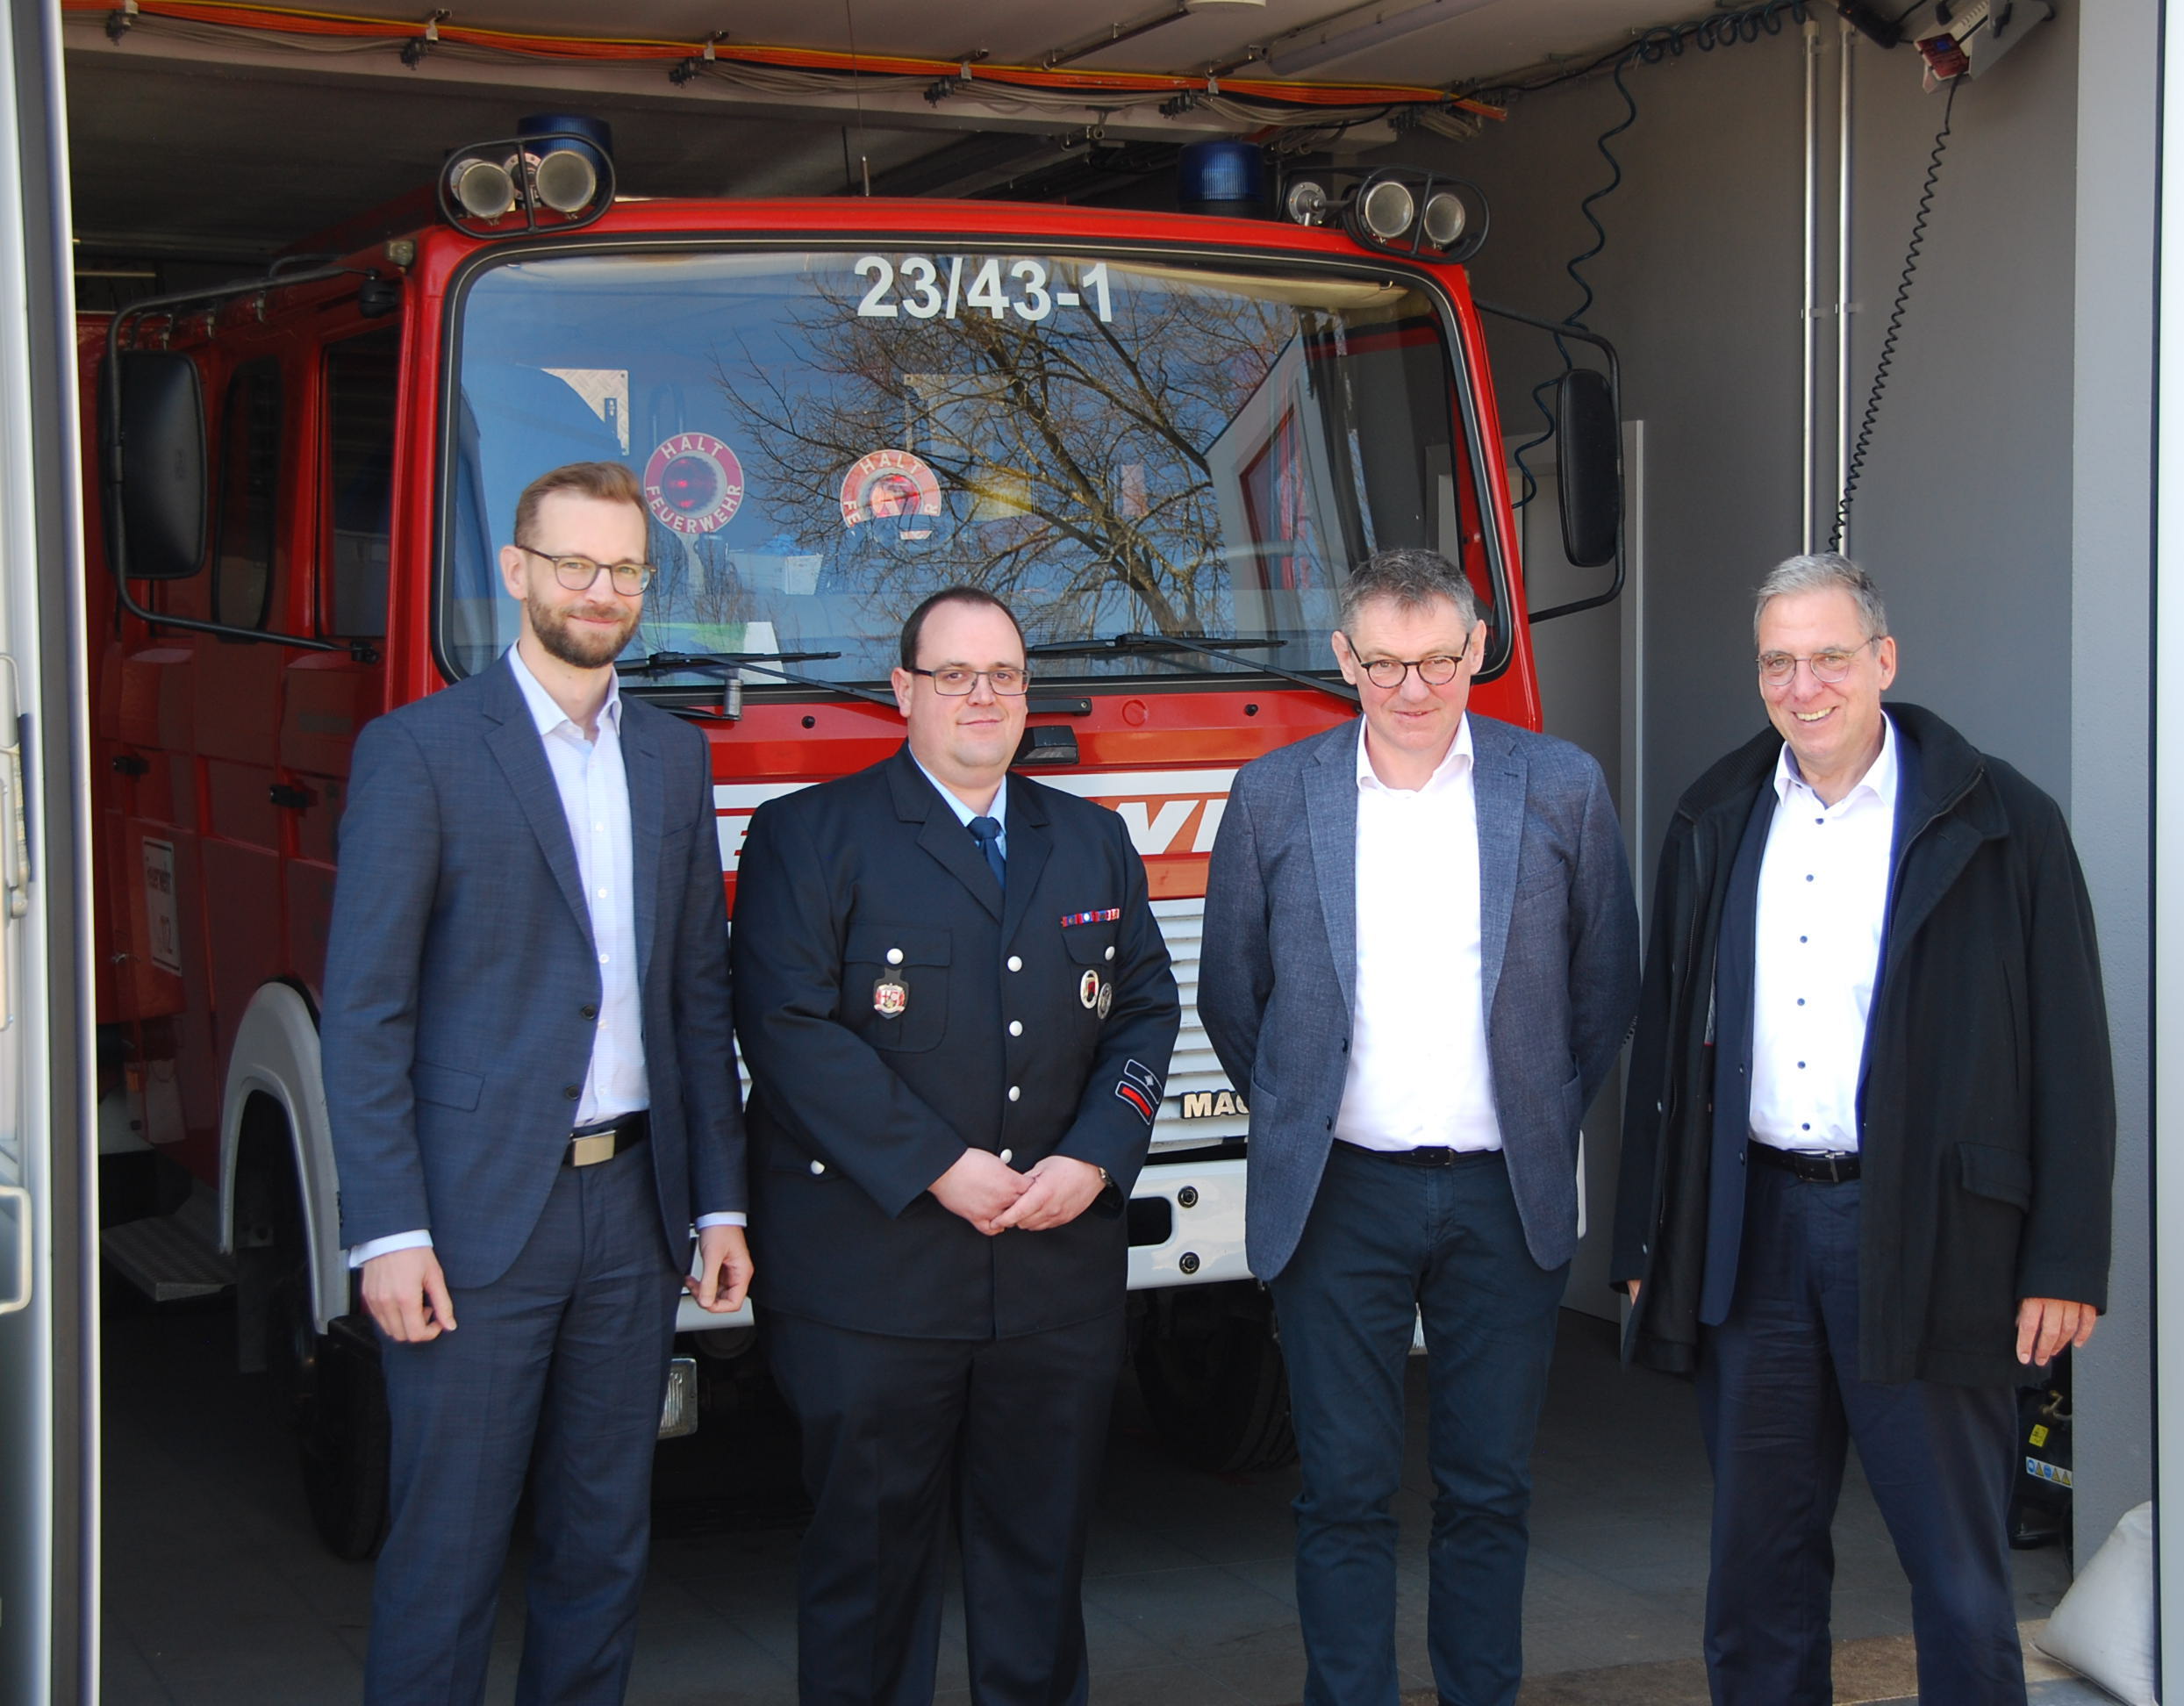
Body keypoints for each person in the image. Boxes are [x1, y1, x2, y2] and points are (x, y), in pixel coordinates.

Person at [1611, 553, 2116, 1706]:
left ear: (1883, 661)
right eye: (1779, 662)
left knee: (1956, 1573)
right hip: (1759, 1237)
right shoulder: (1717, 816)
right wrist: (1648, 1243)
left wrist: (2066, 1256)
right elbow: (1664, 1040)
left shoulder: (2002, 822)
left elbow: (2071, 1051)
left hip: (1932, 1235)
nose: (1805, 685)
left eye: (1830, 656)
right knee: (1758, 1574)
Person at [326, 460, 752, 1705]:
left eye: (625, 570)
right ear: (515, 573)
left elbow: (697, 997)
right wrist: (388, 1228)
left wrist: (717, 1206)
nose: (600, 590)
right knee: (446, 1554)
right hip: (468, 1225)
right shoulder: (418, 753)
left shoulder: (673, 762)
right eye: (574, 564)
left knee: (602, 1545)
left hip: (631, 1213)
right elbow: (365, 1013)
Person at [1198, 548, 1641, 1706]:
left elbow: (1605, 987)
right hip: (1339, 1193)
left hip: (1506, 1195)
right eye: (1384, 661)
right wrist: (1303, 1114)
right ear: (1345, 659)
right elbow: (1231, 992)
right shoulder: (1274, 794)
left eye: (1438, 659)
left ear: (1476, 651)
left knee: (1488, 1489)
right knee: (1341, 1491)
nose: (1411, 686)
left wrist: (1537, 1110)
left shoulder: (1561, 788)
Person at [729, 587, 1179, 1706]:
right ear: (904, 690)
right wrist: (937, 1162)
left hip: (1052, 1278)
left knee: (1038, 1578)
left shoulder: (1089, 838)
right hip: (872, 1282)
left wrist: (1094, 1155)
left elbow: (1142, 1011)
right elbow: (783, 1027)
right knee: (868, 1582)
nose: (983, 697)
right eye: (955, 676)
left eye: (1005, 676)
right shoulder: (808, 834)